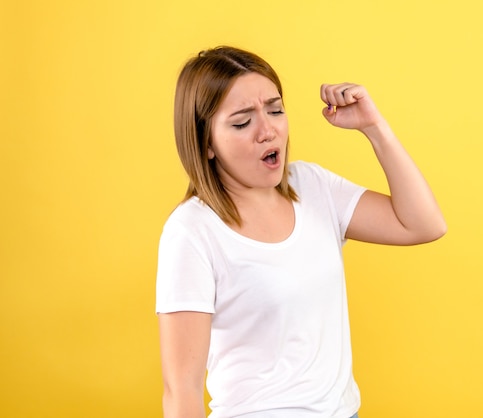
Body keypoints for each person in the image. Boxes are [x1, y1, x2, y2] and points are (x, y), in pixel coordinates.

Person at [156, 45, 446, 418]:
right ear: (207, 143)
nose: (268, 130)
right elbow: (181, 388)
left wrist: (375, 128)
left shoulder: (313, 186)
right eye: (243, 122)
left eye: (275, 110)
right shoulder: (191, 231)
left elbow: (424, 224)